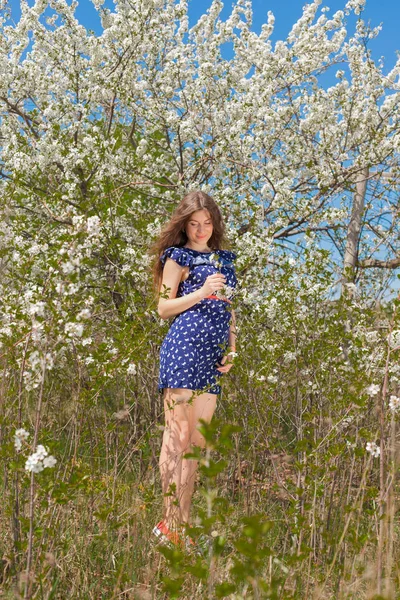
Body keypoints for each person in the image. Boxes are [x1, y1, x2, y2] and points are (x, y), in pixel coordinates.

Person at [150, 190, 238, 549]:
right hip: (184, 347)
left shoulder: (224, 260)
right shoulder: (178, 256)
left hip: (212, 355)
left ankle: (182, 525)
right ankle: (169, 525)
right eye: (194, 223)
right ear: (184, 224)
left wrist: (232, 349)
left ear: (214, 224)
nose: (201, 229)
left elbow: (228, 309)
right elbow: (163, 309)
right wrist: (201, 291)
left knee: (198, 443)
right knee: (178, 435)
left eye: (207, 223)